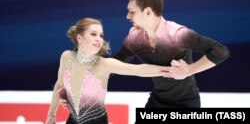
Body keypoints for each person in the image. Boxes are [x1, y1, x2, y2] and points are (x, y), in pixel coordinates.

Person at [45, 17, 185, 124]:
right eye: (93, 34)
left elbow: (139, 70)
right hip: (73, 120)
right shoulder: (67, 57)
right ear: (79, 37)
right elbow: (59, 85)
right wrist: (51, 113)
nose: (99, 39)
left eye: (101, 35)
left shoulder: (105, 64)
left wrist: (169, 70)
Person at [113, 0, 231, 108]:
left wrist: (188, 71)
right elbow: (116, 62)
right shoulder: (134, 37)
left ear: (147, 12)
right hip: (157, 100)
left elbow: (220, 51)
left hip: (186, 104)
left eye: (132, 12)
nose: (127, 16)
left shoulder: (177, 34)